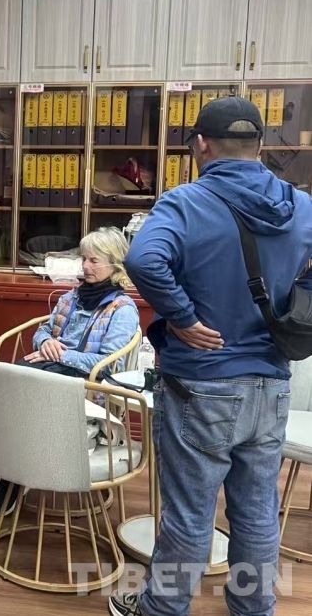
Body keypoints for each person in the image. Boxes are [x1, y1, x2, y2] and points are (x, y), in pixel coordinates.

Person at [109, 96, 312, 616]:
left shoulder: (185, 202)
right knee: (258, 512)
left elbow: (142, 259)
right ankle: (253, 608)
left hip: (201, 383)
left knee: (189, 514)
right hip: (271, 383)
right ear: (261, 145)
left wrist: (181, 316)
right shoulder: (301, 205)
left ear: (200, 144)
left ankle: (163, 608)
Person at [0, 227, 140, 517]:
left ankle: (10, 479)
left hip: (87, 390)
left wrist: (63, 354)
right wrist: (46, 342)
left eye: (94, 261)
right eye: (84, 259)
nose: (85, 266)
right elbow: (43, 330)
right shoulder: (71, 298)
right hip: (50, 374)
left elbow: (108, 365)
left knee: (16, 398)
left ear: (115, 264)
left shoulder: (122, 309)